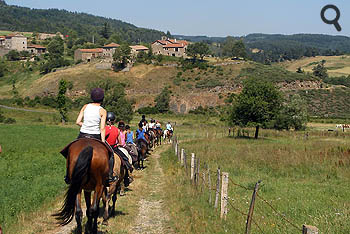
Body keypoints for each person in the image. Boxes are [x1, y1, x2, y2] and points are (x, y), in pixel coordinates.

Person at [65, 88, 116, 184]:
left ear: (92, 97)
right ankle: (109, 176)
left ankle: (68, 176)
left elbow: (77, 122)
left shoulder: (85, 106)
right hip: (95, 136)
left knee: (69, 152)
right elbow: (102, 128)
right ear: (102, 99)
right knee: (111, 154)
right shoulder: (102, 111)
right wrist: (103, 141)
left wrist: (84, 125)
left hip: (82, 135)